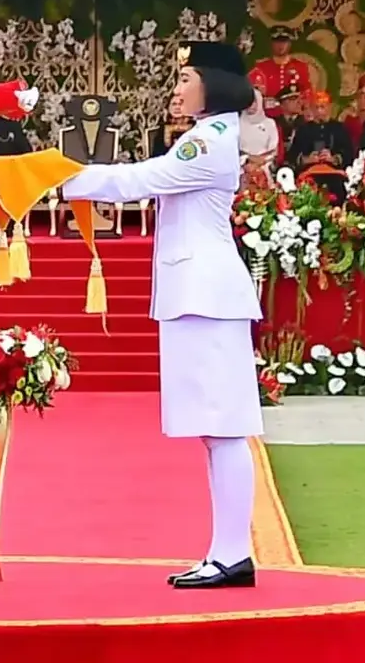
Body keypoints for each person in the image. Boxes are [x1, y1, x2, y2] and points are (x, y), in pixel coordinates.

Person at [56, 39, 266, 590]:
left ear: (212, 84)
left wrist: (56, 177)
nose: (177, 88)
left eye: (186, 77)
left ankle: (233, 553)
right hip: (197, 293)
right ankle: (225, 551)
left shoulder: (210, 140)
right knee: (214, 433)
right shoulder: (206, 136)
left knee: (224, 431)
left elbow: (139, 181)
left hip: (208, 295)